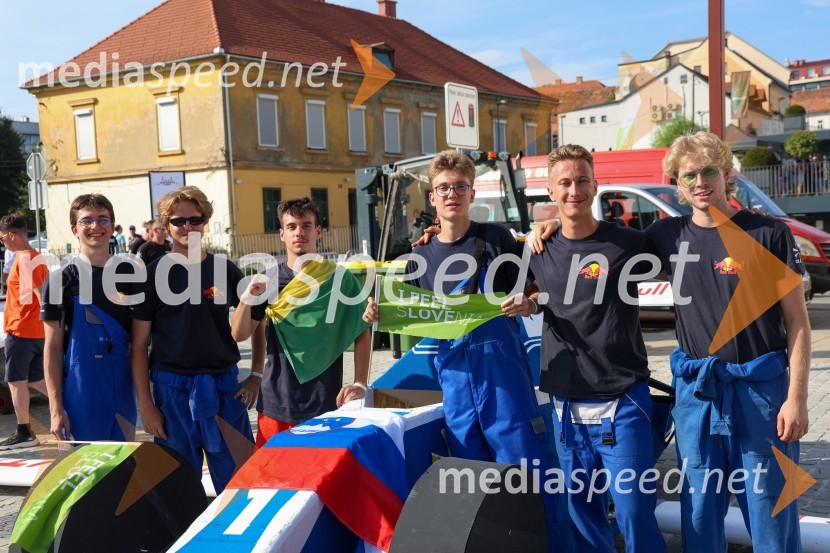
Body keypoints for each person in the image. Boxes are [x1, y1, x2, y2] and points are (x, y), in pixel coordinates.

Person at [363, 150, 560, 551]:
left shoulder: (497, 239)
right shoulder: (418, 258)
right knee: (473, 484)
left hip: (505, 384)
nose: (451, 194)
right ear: (432, 197)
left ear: (472, 193)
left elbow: (539, 283)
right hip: (456, 388)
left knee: (527, 477)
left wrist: (529, 301)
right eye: (443, 188)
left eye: (460, 187)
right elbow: (402, 312)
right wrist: (376, 312)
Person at [649, 132, 809, 552]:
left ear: (725, 172)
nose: (700, 182)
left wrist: (796, 398)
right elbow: (599, 246)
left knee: (771, 508)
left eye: (708, 171)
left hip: (761, 394)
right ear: (677, 183)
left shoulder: (768, 233)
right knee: (699, 511)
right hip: (697, 394)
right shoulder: (664, 236)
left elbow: (798, 322)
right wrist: (552, 224)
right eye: (689, 175)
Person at [519, 145, 666, 553]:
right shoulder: (537, 248)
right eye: (564, 183)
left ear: (596, 185)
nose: (574, 190)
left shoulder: (630, 243)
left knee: (635, 513)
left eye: (582, 181)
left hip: (624, 401)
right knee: (583, 518)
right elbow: (527, 292)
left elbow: (689, 245)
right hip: (566, 406)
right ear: (551, 192)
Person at [130, 186, 254, 493]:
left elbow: (258, 319)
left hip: (224, 389)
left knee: (240, 486)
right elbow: (139, 345)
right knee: (177, 489)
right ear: (166, 225)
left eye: (195, 220)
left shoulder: (225, 269)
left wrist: (258, 375)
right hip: (172, 394)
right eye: (178, 221)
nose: (188, 227)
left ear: (205, 221)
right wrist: (145, 404)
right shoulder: (151, 275)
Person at [231, 197, 371, 448]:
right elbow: (239, 335)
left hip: (325, 400)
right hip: (276, 402)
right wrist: (247, 299)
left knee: (319, 471)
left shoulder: (340, 279)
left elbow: (363, 331)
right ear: (282, 234)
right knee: (272, 471)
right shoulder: (267, 281)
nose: (299, 232)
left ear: (318, 231)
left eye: (306, 225)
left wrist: (361, 383)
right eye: (292, 227)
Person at [41, 194, 137, 442]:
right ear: (75, 229)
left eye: (103, 219)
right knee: (85, 466)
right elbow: (52, 348)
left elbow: (141, 342)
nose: (96, 226)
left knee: (123, 464)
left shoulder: (132, 276)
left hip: (124, 398)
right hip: (80, 400)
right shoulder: (60, 280)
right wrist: (56, 409)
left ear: (112, 226)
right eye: (87, 220)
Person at [0, 214, 49, 449]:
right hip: (34, 331)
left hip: (22, 331)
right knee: (37, 379)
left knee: (15, 380)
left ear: (11, 235)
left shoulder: (26, 259)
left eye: (2, 238)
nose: (2, 242)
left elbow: (40, 296)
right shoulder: (34, 256)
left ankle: (24, 432)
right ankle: (72, 404)